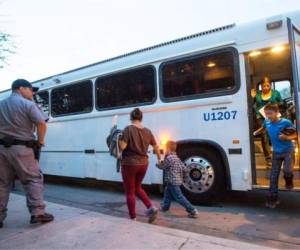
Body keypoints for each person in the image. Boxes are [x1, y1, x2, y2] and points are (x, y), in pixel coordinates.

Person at [0, 79, 54, 228]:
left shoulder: (1, 104)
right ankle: (38, 213)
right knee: (32, 179)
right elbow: (42, 123)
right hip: (22, 148)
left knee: (2, 183)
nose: (32, 92)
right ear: (21, 88)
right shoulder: (27, 104)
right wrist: (40, 141)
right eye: (30, 89)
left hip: (2, 149)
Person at [118, 108, 161, 223]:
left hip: (130, 164)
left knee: (130, 192)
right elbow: (156, 147)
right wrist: (159, 159)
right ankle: (151, 208)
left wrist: (118, 139)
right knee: (138, 188)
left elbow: (122, 147)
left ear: (131, 117)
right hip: (144, 164)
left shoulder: (128, 129)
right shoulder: (148, 131)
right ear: (141, 118)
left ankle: (133, 218)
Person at [254, 103, 297, 208]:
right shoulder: (267, 122)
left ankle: (289, 180)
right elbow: (263, 128)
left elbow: (296, 135)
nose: (268, 116)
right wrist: (255, 133)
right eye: (266, 114)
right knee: (273, 176)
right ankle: (273, 198)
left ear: (277, 113)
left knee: (288, 170)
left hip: (288, 151)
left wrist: (287, 138)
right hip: (276, 152)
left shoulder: (286, 122)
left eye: (270, 113)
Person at [156, 141, 198, 218]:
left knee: (179, 197)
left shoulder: (169, 158)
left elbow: (163, 167)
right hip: (175, 180)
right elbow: (184, 168)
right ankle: (165, 207)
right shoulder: (177, 158)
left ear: (168, 149)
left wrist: (158, 164)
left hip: (172, 181)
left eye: (166, 149)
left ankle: (192, 210)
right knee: (167, 194)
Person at [251, 77, 283, 165]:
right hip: (261, 116)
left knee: (276, 132)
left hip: (273, 116)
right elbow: (250, 104)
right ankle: (268, 157)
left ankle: (279, 153)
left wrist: (275, 104)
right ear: (261, 86)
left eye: (267, 85)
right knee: (264, 134)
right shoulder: (257, 94)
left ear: (270, 85)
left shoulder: (275, 93)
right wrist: (252, 97)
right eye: (263, 86)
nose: (265, 87)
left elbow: (282, 103)